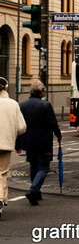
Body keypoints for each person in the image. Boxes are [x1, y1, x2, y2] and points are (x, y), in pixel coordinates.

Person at [17, 81, 61, 205]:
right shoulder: (45, 105)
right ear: (41, 92)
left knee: (33, 166)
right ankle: (34, 189)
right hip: (43, 141)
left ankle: (36, 193)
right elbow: (53, 123)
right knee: (43, 167)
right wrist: (58, 135)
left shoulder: (22, 105)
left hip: (28, 141)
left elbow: (18, 126)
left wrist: (17, 143)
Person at [0, 75, 26, 218]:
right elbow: (22, 127)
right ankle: (0, 198)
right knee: (2, 172)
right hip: (5, 144)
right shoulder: (13, 104)